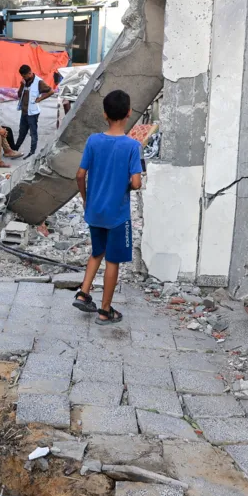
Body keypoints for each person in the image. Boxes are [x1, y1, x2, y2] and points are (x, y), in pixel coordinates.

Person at [71, 90, 143, 325]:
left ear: (104, 114)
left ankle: (83, 292)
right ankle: (105, 309)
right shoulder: (132, 146)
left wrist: (85, 199)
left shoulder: (93, 141)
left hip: (95, 210)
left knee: (96, 252)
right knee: (113, 261)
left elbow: (80, 175)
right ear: (129, 113)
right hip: (117, 215)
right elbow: (136, 182)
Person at [14, 64, 54, 157]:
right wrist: (21, 85)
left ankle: (32, 152)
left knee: (33, 133)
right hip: (24, 112)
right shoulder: (25, 82)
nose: (23, 78)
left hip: (33, 113)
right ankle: (15, 150)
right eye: (22, 76)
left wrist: (40, 99)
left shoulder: (39, 82)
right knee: (22, 132)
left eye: (24, 76)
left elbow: (51, 91)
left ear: (29, 73)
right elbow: (19, 95)